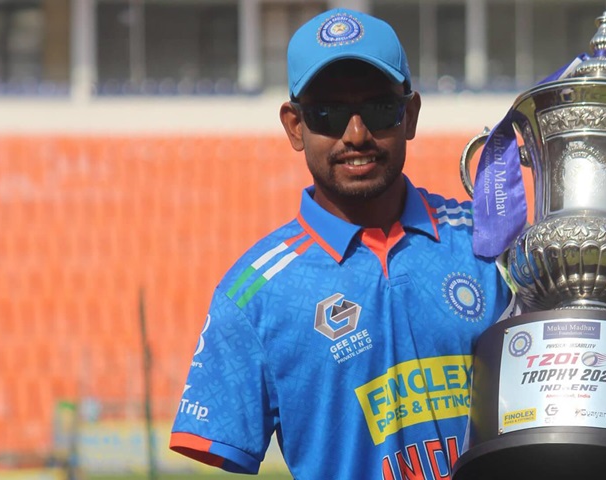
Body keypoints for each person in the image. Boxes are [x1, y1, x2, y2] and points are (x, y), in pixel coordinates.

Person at [169, 7, 513, 479]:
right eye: (327, 113)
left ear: (409, 115)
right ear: (294, 125)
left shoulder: (487, 246)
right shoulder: (254, 295)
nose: (356, 135)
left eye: (379, 109)